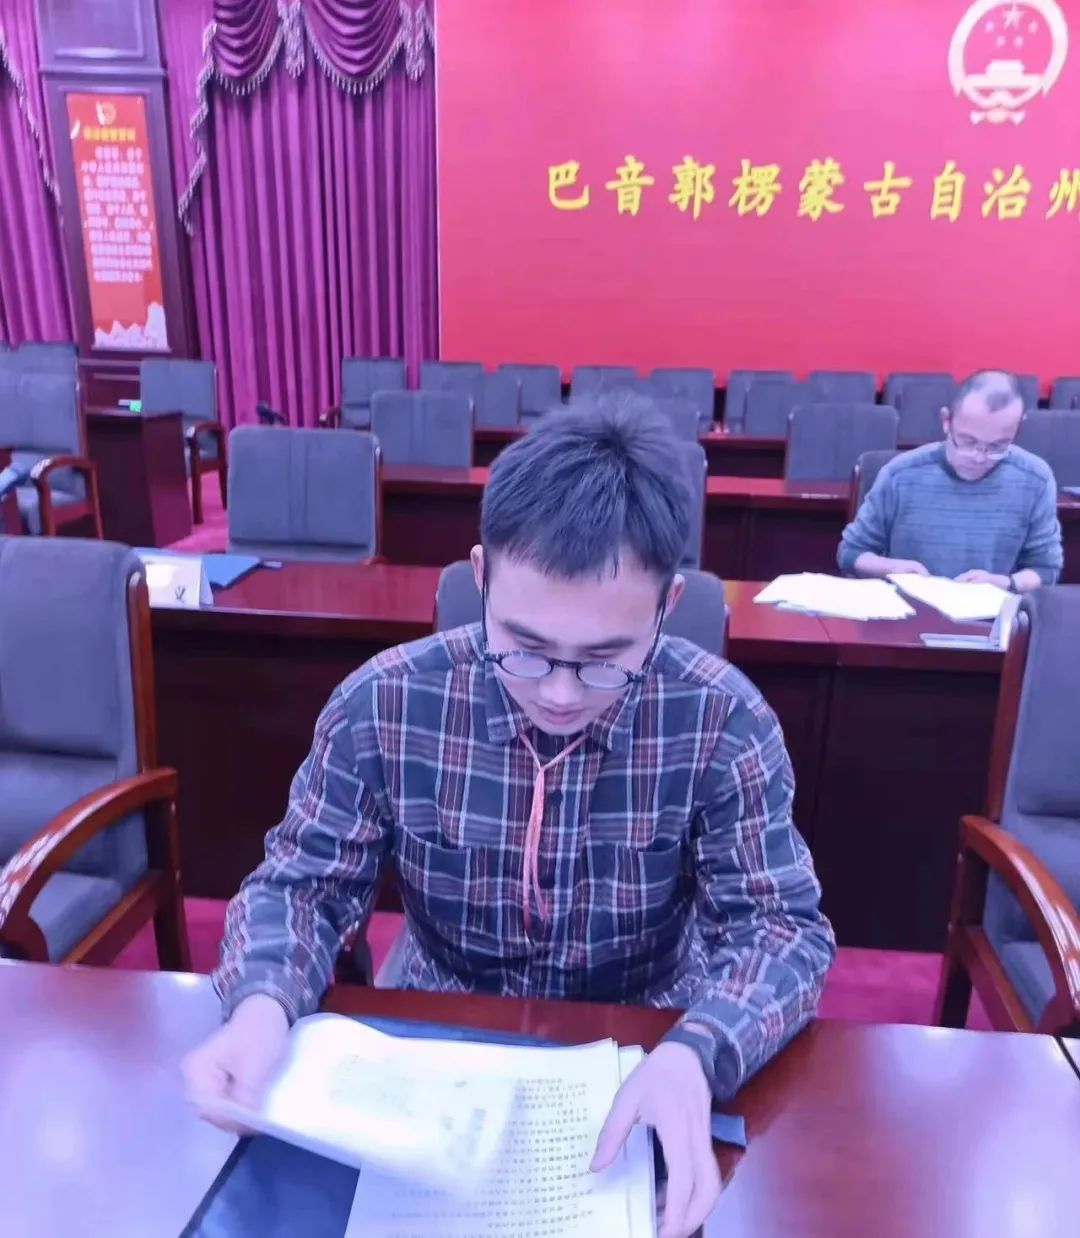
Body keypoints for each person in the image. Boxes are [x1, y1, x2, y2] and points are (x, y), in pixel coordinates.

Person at [183, 400, 835, 1238]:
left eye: (604, 660)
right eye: (525, 649)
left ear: (668, 603)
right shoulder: (387, 701)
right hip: (431, 1044)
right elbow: (301, 887)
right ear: (482, 575)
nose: (559, 694)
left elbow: (782, 930)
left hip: (645, 1041)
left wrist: (699, 1048)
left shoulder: (721, 719)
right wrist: (262, 1004)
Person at [838, 369, 1063, 592]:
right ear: (946, 421)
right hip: (908, 609)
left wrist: (1006, 583)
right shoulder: (900, 474)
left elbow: (1046, 570)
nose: (979, 457)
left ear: (1017, 429)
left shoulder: (1036, 479)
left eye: (997, 446)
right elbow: (850, 553)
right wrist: (894, 569)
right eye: (968, 441)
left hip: (992, 611)